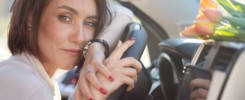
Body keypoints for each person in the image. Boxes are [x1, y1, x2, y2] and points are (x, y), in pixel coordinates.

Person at [0, 0, 142, 100]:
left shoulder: (18, 71)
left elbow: (122, 12)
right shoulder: (29, 85)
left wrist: (96, 48)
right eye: (65, 18)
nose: (80, 38)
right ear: (30, 19)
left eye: (89, 23)